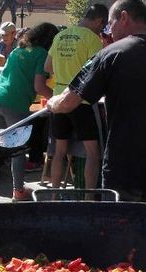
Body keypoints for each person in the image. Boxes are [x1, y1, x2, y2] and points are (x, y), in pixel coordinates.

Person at [47, 0, 146, 203]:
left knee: (120, 229)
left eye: (110, 23)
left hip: (124, 165)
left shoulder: (110, 54)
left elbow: (70, 101)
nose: (109, 30)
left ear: (123, 17)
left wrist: (52, 103)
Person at [0, 22, 58, 201]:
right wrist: (58, 96)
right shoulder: (41, 53)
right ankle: (18, 191)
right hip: (14, 103)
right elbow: (39, 86)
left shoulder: (19, 49)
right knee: (17, 150)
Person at [45, 3, 107, 190]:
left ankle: (54, 195)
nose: (101, 29)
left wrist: (64, 71)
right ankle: (88, 199)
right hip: (83, 101)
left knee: (59, 152)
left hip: (58, 100)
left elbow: (48, 67)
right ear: (98, 20)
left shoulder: (60, 35)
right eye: (102, 25)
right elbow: (97, 73)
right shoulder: (93, 39)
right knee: (93, 154)